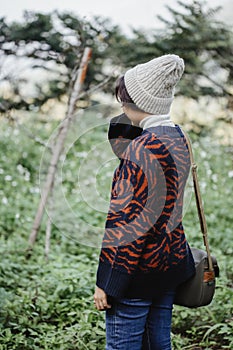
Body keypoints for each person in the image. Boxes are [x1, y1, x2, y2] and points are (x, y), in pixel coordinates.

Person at [93, 54, 196, 350]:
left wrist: (108, 283)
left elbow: (127, 226)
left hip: (136, 274)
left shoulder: (140, 151)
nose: (121, 107)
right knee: (158, 345)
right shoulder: (178, 137)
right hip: (169, 264)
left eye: (124, 101)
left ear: (137, 104)